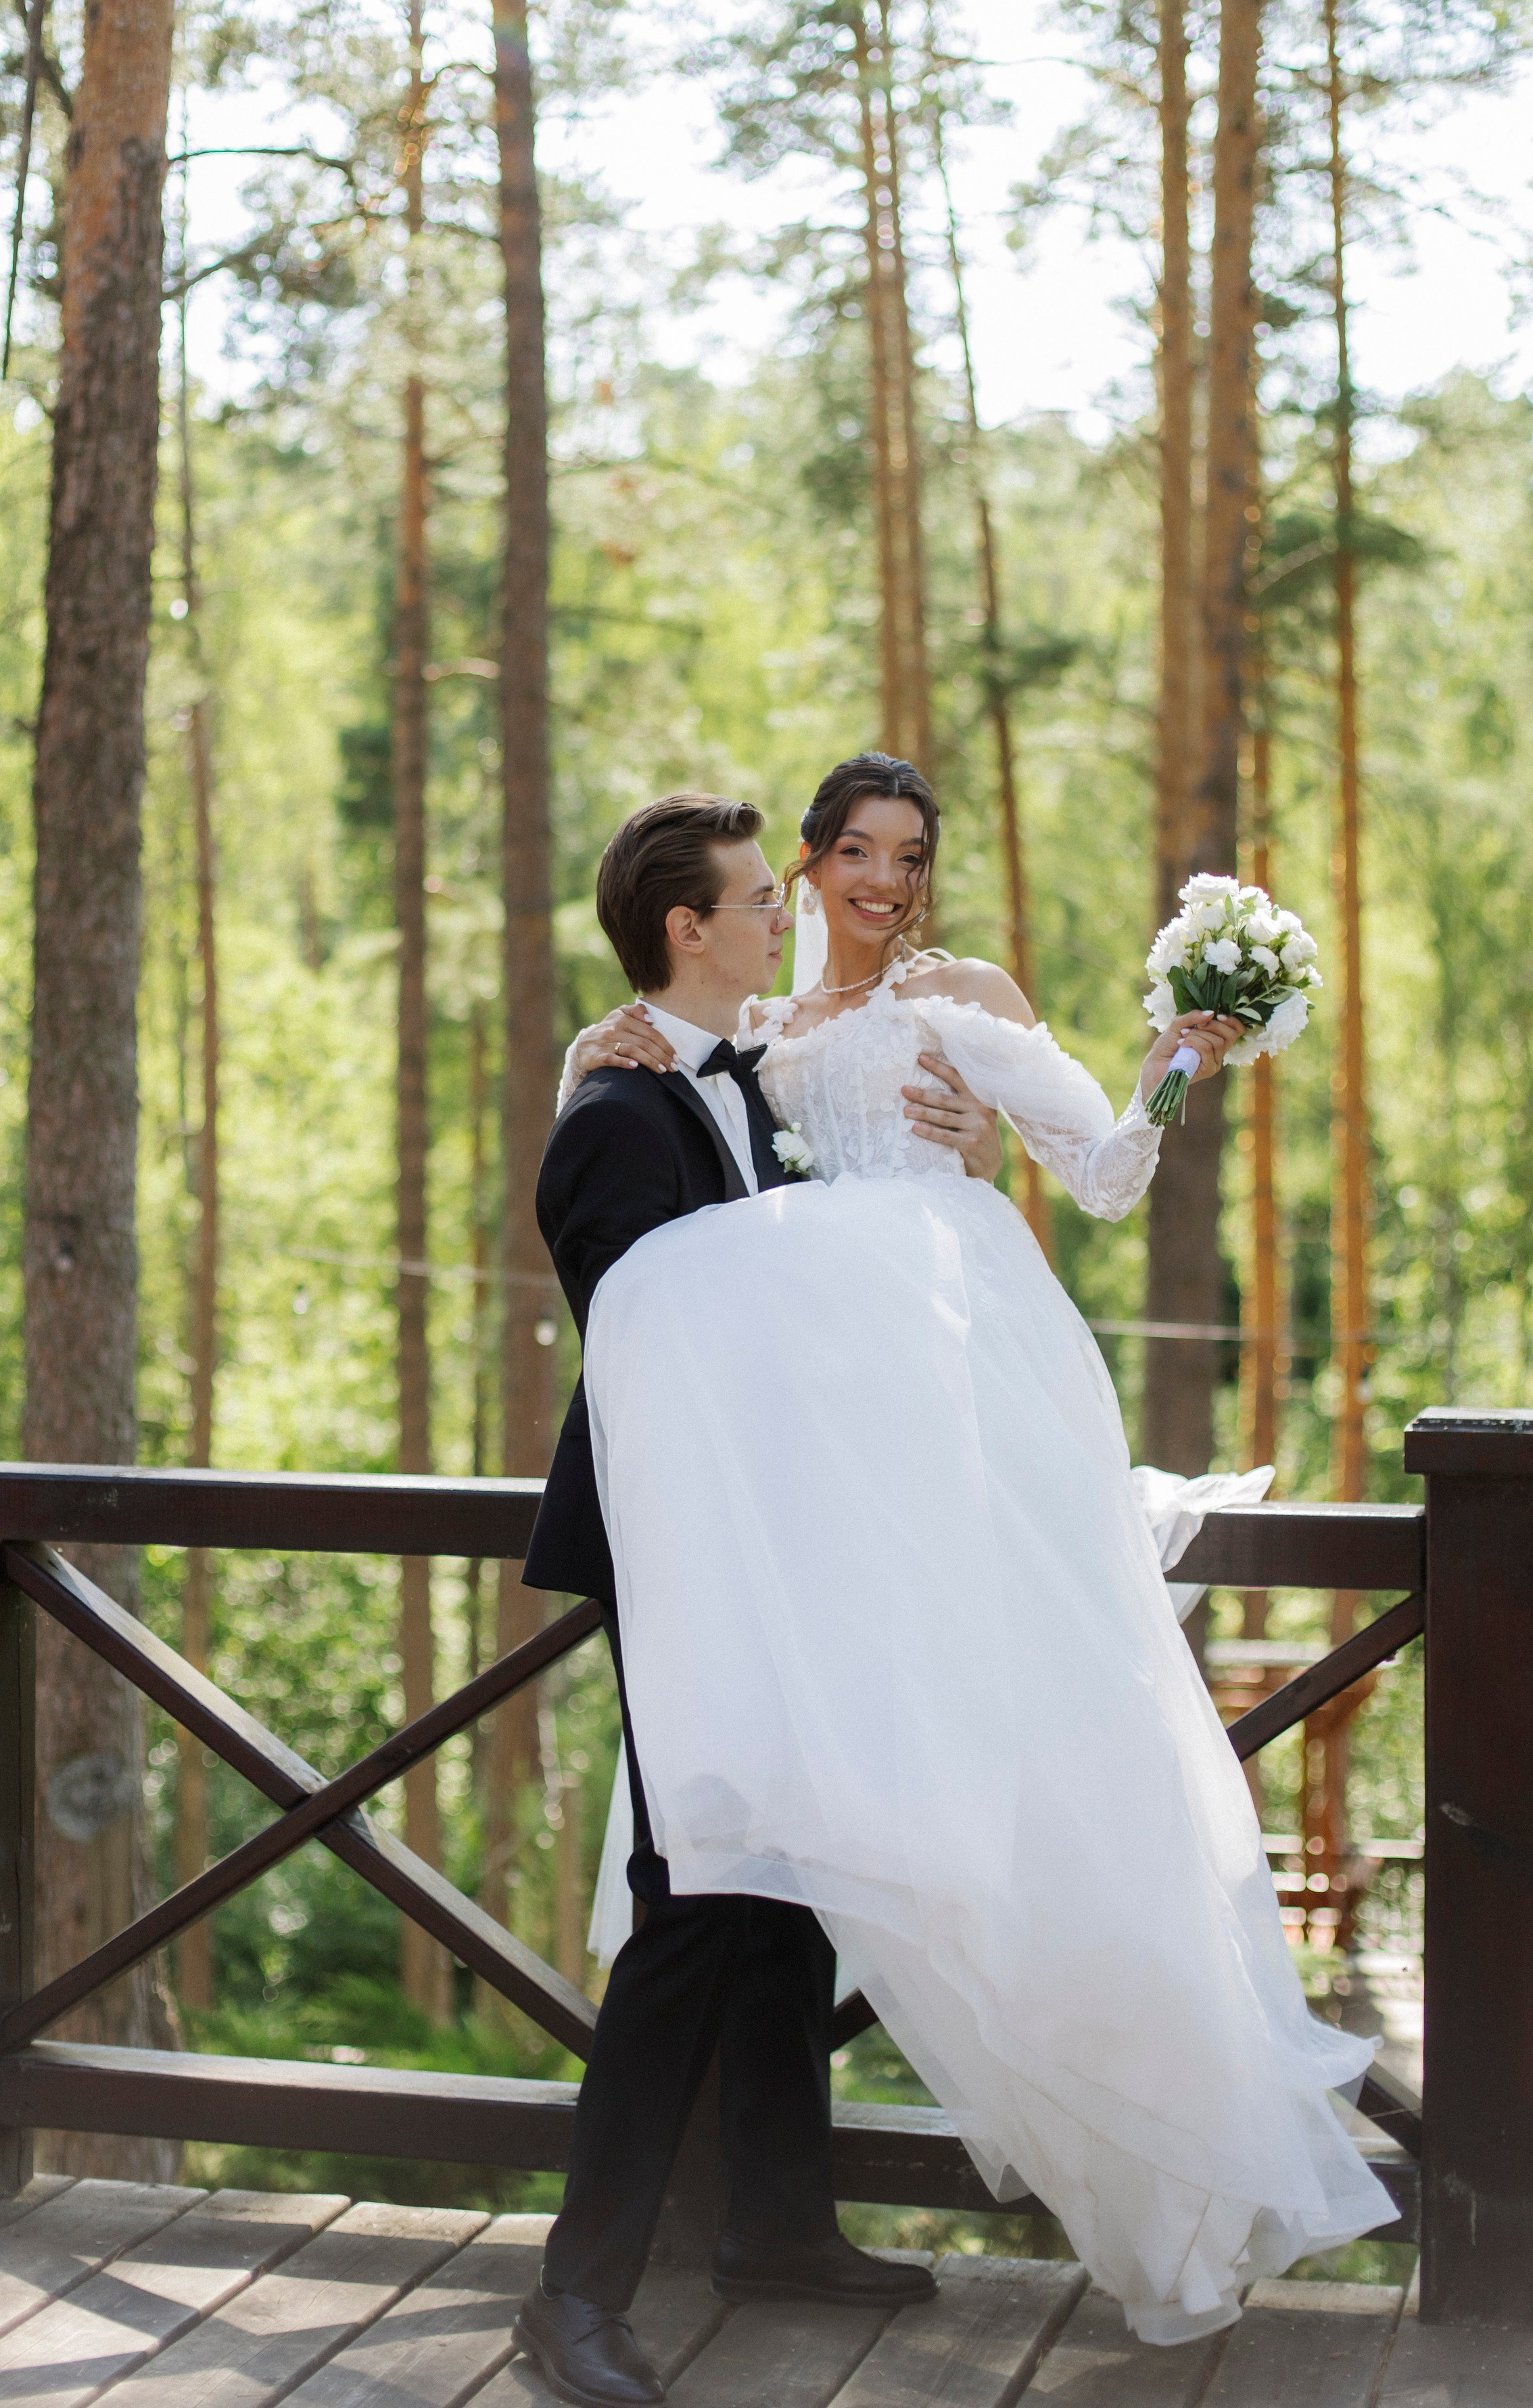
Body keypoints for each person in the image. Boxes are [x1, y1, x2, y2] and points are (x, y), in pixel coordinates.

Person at [553, 751, 1397, 2352]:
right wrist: (590, 1056)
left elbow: (1106, 1173)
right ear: (803, 871)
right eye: (852, 854)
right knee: (765, 1871)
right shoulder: (744, 1036)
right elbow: (661, 1179)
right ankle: (717, 2243)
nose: (883, 881)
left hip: (941, 1443)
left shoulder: (961, 999)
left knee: (1025, 1785)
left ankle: (1097, 2092)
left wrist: (1169, 1065)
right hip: (802, 1494)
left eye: (909, 855)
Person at [513, 790, 1006, 2408]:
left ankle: (778, 2227)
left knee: (791, 1878)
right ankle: (574, 2293)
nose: (784, 916)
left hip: (794, 1540)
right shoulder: (612, 1117)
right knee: (690, 1901)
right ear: (688, 929)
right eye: (757, 900)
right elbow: (650, 1366)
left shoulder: (760, 1083)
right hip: (684, 1557)